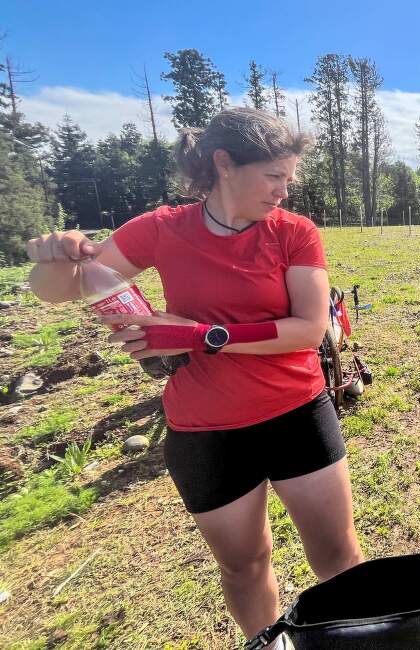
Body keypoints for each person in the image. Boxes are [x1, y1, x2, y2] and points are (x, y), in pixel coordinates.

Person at [26, 108, 363, 649]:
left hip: (297, 412)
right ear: (225, 163)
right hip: (206, 430)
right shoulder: (162, 229)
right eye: (274, 176)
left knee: (338, 558)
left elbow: (309, 329)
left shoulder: (294, 233)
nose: (284, 190)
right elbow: (59, 289)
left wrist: (203, 335)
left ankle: (354, 639)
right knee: (244, 566)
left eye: (289, 178)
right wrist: (53, 257)